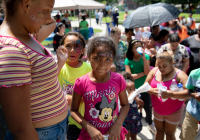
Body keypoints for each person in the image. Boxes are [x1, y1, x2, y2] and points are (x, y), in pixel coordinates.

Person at [0, 0, 69, 139]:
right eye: (46, 11)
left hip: (53, 130)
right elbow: (20, 129)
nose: (49, 18)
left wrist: (43, 11)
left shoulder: (27, 36)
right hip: (43, 134)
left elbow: (51, 24)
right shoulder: (11, 50)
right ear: (26, 4)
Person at [70, 36, 129, 140]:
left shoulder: (118, 80)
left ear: (113, 59)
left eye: (108, 59)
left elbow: (125, 105)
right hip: (90, 136)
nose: (102, 64)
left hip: (113, 135)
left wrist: (118, 124)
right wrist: (89, 128)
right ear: (88, 57)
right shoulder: (81, 83)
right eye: (97, 58)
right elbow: (73, 111)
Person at [145, 51, 189, 140]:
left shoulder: (180, 75)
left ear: (172, 63)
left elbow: (189, 92)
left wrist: (172, 94)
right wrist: (152, 91)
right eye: (159, 65)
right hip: (157, 110)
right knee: (159, 131)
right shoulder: (154, 71)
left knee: (170, 134)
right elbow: (145, 86)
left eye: (164, 66)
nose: (161, 69)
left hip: (174, 112)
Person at [58, 32, 92, 140]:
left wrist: (73, 99)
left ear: (82, 50)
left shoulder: (88, 69)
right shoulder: (59, 68)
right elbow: (52, 92)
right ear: (61, 48)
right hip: (66, 121)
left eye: (76, 46)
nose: (72, 50)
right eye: (68, 46)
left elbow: (93, 94)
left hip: (86, 119)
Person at [125, 40, 156, 134]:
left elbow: (147, 73)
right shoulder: (128, 60)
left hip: (144, 87)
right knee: (132, 107)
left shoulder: (146, 57)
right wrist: (142, 73)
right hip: (133, 90)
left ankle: (150, 123)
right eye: (136, 47)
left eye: (140, 46)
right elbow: (129, 75)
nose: (139, 48)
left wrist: (143, 59)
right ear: (131, 49)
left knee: (147, 106)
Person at [121, 72, 144, 140]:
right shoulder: (121, 98)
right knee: (125, 135)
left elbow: (141, 104)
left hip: (134, 120)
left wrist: (140, 103)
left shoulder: (135, 98)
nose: (133, 91)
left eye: (134, 88)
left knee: (133, 136)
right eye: (130, 89)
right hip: (124, 120)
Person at [179, 67, 200, 140]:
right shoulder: (194, 74)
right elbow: (189, 91)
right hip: (193, 112)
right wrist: (194, 95)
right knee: (186, 137)